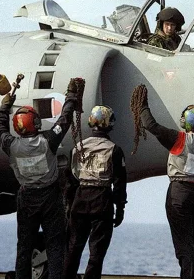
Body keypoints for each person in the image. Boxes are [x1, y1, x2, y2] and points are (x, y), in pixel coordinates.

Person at [133, 84, 194, 279]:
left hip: (180, 194)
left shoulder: (179, 140)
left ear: (184, 122)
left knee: (184, 246)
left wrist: (142, 103)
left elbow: (150, 125)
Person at [0, 78, 82, 279]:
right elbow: (64, 120)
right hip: (50, 197)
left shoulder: (11, 145)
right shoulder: (47, 141)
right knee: (55, 245)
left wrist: (4, 106)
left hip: (26, 198)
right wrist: (71, 97)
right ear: (36, 123)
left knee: (24, 246)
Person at [63, 105, 127, 279]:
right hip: (102, 201)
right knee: (96, 253)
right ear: (109, 124)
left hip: (80, 199)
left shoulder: (77, 147)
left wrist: (69, 205)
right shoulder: (114, 150)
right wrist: (120, 208)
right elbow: (119, 183)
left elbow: (70, 179)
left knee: (73, 248)